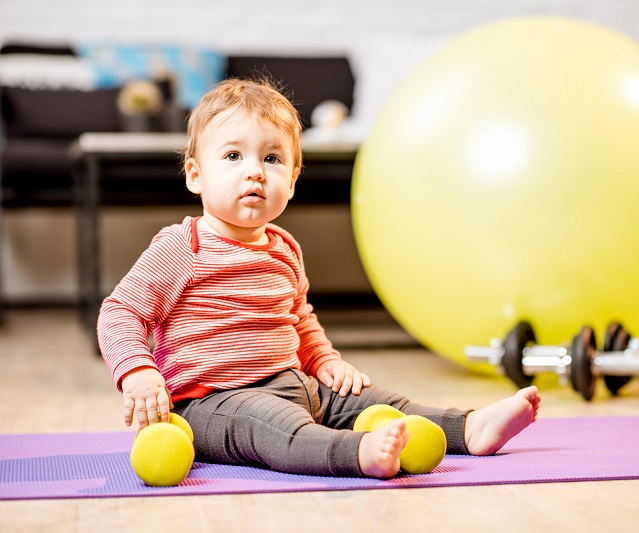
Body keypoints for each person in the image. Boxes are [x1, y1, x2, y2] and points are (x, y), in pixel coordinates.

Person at [98, 77, 541, 479]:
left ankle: (468, 428)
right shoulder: (182, 248)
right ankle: (359, 454)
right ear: (196, 175)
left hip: (296, 383)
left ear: (290, 182)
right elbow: (119, 312)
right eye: (233, 155)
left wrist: (325, 362)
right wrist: (138, 372)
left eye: (271, 158)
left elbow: (300, 318)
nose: (254, 170)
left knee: (378, 401)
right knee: (279, 430)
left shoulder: (284, 247)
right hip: (212, 403)